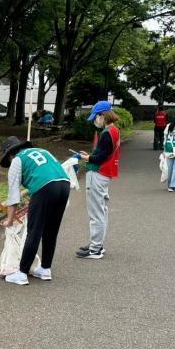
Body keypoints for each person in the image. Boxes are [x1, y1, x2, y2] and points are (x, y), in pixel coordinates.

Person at [0, 136, 71, 286]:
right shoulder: (42, 151)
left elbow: (13, 196)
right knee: (51, 230)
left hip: (44, 187)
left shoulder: (17, 160)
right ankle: (45, 269)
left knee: (34, 230)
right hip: (64, 184)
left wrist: (10, 220)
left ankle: (22, 273)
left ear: (10, 155)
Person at [76, 100, 121, 259]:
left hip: (98, 173)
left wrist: (87, 157)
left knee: (96, 212)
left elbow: (100, 157)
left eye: (96, 117)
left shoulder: (107, 133)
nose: (96, 120)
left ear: (103, 115)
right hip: (105, 173)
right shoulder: (114, 130)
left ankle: (95, 248)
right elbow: (104, 153)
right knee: (101, 211)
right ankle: (97, 245)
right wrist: (90, 156)